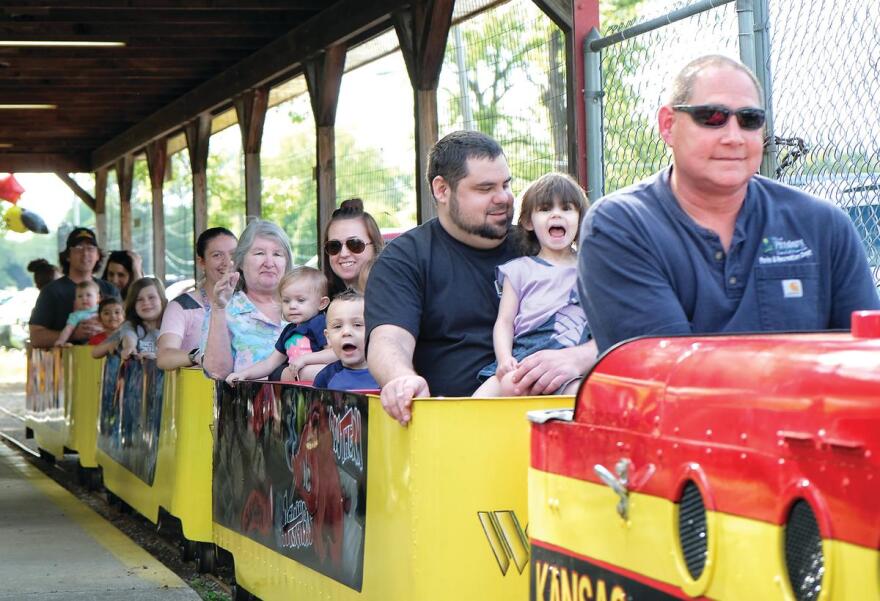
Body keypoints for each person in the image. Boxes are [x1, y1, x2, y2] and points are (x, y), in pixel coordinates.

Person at [579, 55, 880, 354]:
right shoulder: (620, 227)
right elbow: (668, 372)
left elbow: (866, 358)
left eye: (750, 120)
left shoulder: (823, 225)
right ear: (668, 125)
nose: (734, 137)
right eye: (712, 117)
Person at [366, 131, 597, 425]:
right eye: (485, 188)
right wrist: (401, 379)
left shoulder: (544, 247)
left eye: (506, 184)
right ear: (442, 189)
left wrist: (579, 358)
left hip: (550, 416)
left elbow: (620, 325)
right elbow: (389, 339)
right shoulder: (406, 258)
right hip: (456, 427)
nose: (503, 198)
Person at [474, 173, 591, 396]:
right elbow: (505, 322)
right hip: (523, 358)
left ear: (580, 218)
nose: (556, 214)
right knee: (483, 398)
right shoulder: (519, 270)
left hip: (569, 363)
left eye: (567, 208)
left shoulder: (591, 269)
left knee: (582, 396)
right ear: (528, 221)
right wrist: (504, 359)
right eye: (546, 209)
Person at [202, 219, 292, 380]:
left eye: (277, 254)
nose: (269, 262)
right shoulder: (224, 310)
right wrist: (219, 308)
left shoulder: (305, 306)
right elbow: (217, 373)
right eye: (259, 253)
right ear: (241, 262)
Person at [225, 267, 330, 385]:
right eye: (286, 301)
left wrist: (305, 360)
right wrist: (244, 374)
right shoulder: (289, 330)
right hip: (297, 389)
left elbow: (334, 354)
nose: (292, 306)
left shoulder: (320, 323)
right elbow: (269, 363)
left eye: (300, 300)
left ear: (322, 303)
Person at [156, 227, 237, 370]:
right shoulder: (182, 306)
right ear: (201, 262)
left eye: (233, 254)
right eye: (217, 255)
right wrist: (200, 356)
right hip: (200, 389)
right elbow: (164, 357)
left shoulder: (249, 302)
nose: (227, 262)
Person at [29, 227, 117, 347]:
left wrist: (105, 328)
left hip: (106, 363)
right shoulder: (51, 291)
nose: (85, 253)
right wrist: (74, 334)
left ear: (98, 255)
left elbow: (126, 327)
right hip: (66, 363)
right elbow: (36, 337)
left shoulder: (110, 290)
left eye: (90, 248)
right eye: (78, 248)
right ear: (68, 256)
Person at [313, 290, 378, 391]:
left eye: (357, 325)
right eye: (338, 326)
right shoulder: (325, 378)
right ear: (328, 338)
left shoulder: (387, 375)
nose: (346, 332)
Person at [92, 277, 166, 360]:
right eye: (139, 299)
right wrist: (124, 346)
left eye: (151, 297)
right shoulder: (132, 326)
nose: (146, 302)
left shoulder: (173, 327)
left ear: (162, 300)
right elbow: (95, 352)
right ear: (133, 305)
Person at [322, 198, 384, 296]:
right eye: (334, 246)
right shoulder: (316, 302)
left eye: (354, 244)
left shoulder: (395, 296)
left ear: (375, 247)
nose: (343, 254)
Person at [54, 280, 100, 346]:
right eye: (80, 296)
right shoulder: (76, 315)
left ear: (98, 298)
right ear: (75, 301)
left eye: (88, 295)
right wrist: (61, 341)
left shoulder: (103, 309)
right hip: (87, 344)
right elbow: (68, 329)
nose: (84, 298)